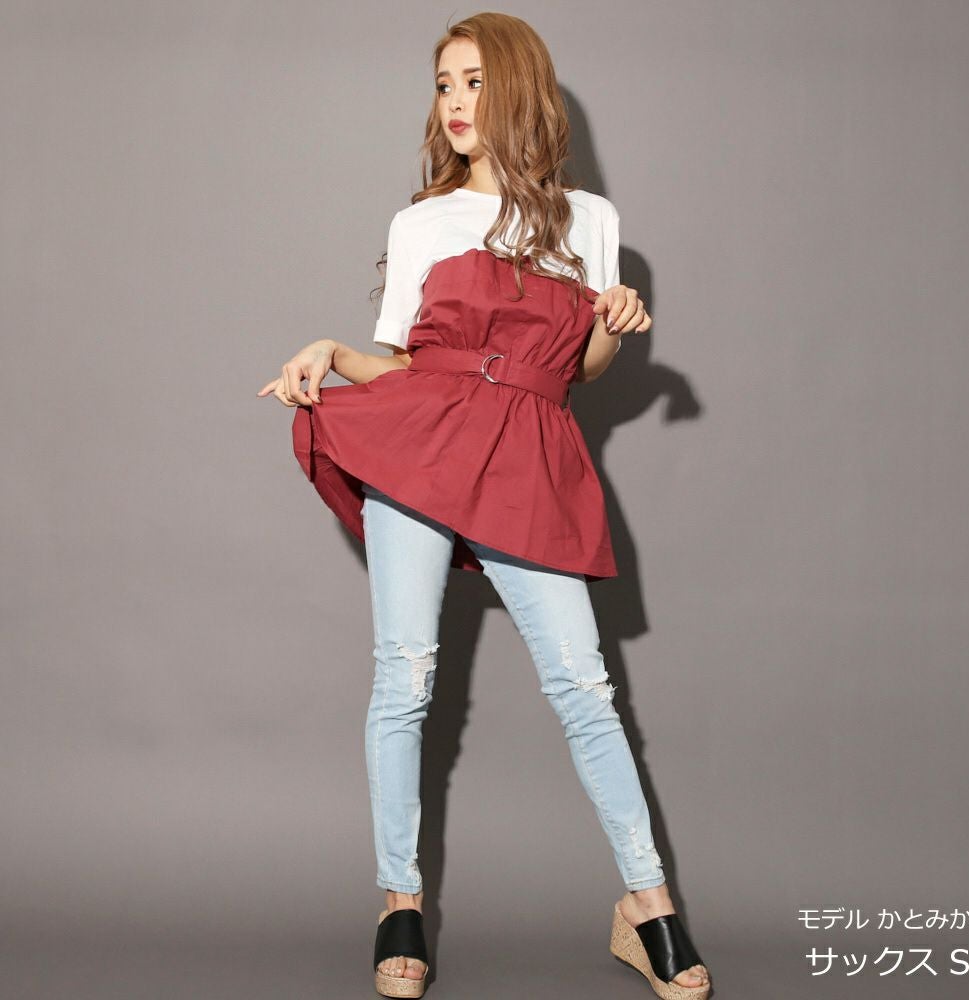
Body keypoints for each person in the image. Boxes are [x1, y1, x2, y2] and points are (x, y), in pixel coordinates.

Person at [257, 12, 711, 1000]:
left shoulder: (588, 220)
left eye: (473, 81)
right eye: (443, 84)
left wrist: (615, 321)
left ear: (518, 91)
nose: (456, 103)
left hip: (528, 458)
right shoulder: (420, 223)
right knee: (404, 678)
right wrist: (331, 352)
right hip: (421, 450)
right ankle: (399, 901)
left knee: (583, 687)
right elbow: (412, 370)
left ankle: (646, 906)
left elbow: (579, 371)